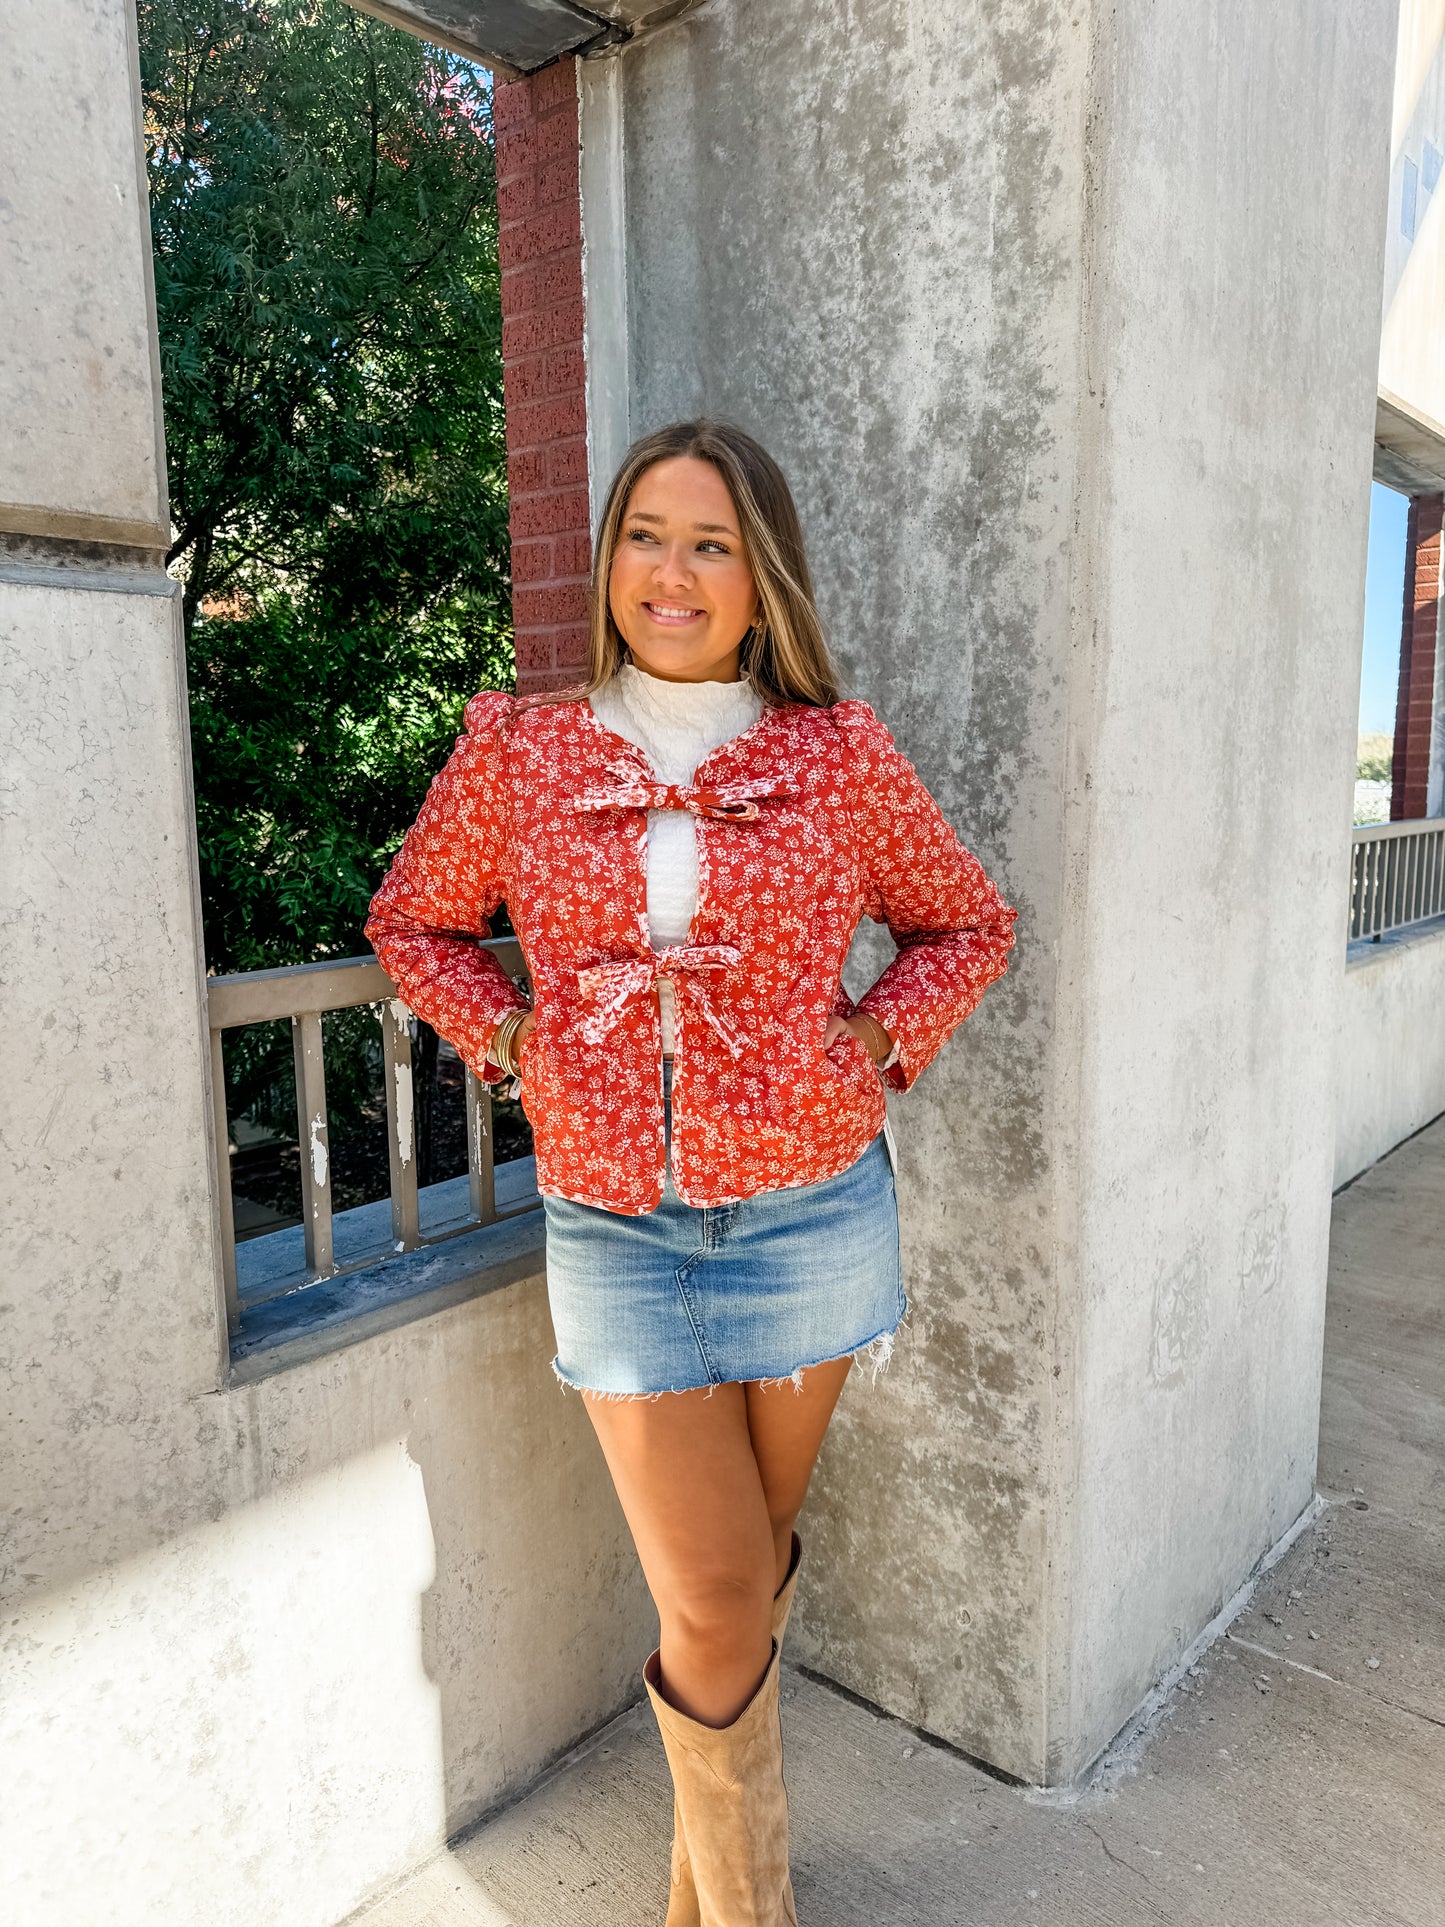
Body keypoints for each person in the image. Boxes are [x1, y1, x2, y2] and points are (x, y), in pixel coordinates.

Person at [366, 420, 1016, 1925]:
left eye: (710, 542)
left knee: (733, 1584)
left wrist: (874, 1044)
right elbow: (416, 923)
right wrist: (513, 1035)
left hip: (810, 1213)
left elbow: (965, 924)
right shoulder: (522, 749)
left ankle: (702, 1901)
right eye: (647, 535)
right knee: (719, 1598)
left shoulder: (832, 756)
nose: (673, 571)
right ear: (609, 561)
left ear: (757, 572)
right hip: (617, 1227)